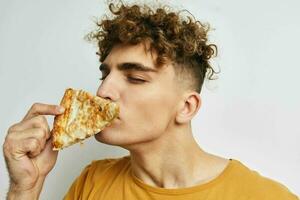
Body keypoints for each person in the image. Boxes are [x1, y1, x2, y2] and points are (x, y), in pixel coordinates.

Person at [3, 2, 299, 200]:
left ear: (187, 107)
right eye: (105, 74)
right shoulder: (92, 184)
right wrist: (24, 188)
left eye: (135, 78)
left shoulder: (264, 196)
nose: (103, 91)